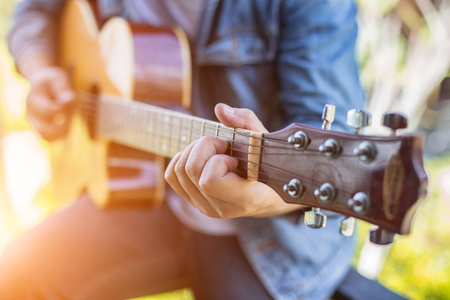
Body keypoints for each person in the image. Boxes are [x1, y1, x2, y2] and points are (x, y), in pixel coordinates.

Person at [0, 0, 365, 299]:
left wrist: (260, 198)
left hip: (263, 232)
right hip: (144, 190)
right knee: (15, 278)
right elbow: (35, 11)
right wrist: (42, 71)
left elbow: (329, 145)